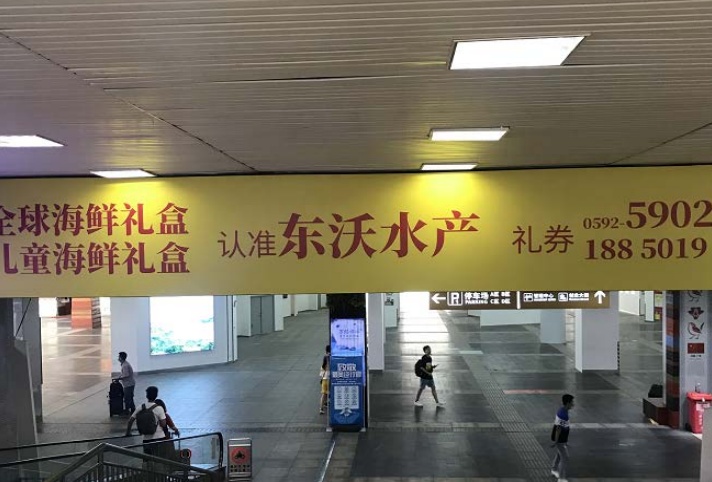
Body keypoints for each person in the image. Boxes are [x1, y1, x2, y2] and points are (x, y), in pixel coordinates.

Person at [125, 386, 167, 457]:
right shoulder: (159, 408)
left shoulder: (141, 407)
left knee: (148, 459)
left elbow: (130, 421)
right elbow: (163, 424)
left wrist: (128, 433)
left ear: (146, 396)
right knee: (161, 459)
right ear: (156, 395)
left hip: (147, 440)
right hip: (160, 438)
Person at [551, 393, 575, 482]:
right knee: (565, 458)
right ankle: (561, 478)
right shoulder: (563, 414)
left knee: (559, 454)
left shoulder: (563, 410)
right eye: (572, 402)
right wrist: (556, 441)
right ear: (568, 403)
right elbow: (558, 428)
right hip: (560, 439)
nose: (573, 404)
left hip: (562, 438)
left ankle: (554, 469)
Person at [319, 345, 330, 414]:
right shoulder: (330, 359)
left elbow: (321, 373)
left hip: (324, 379)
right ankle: (325, 404)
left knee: (324, 394)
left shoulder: (323, 364)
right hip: (328, 379)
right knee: (327, 393)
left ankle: (321, 408)